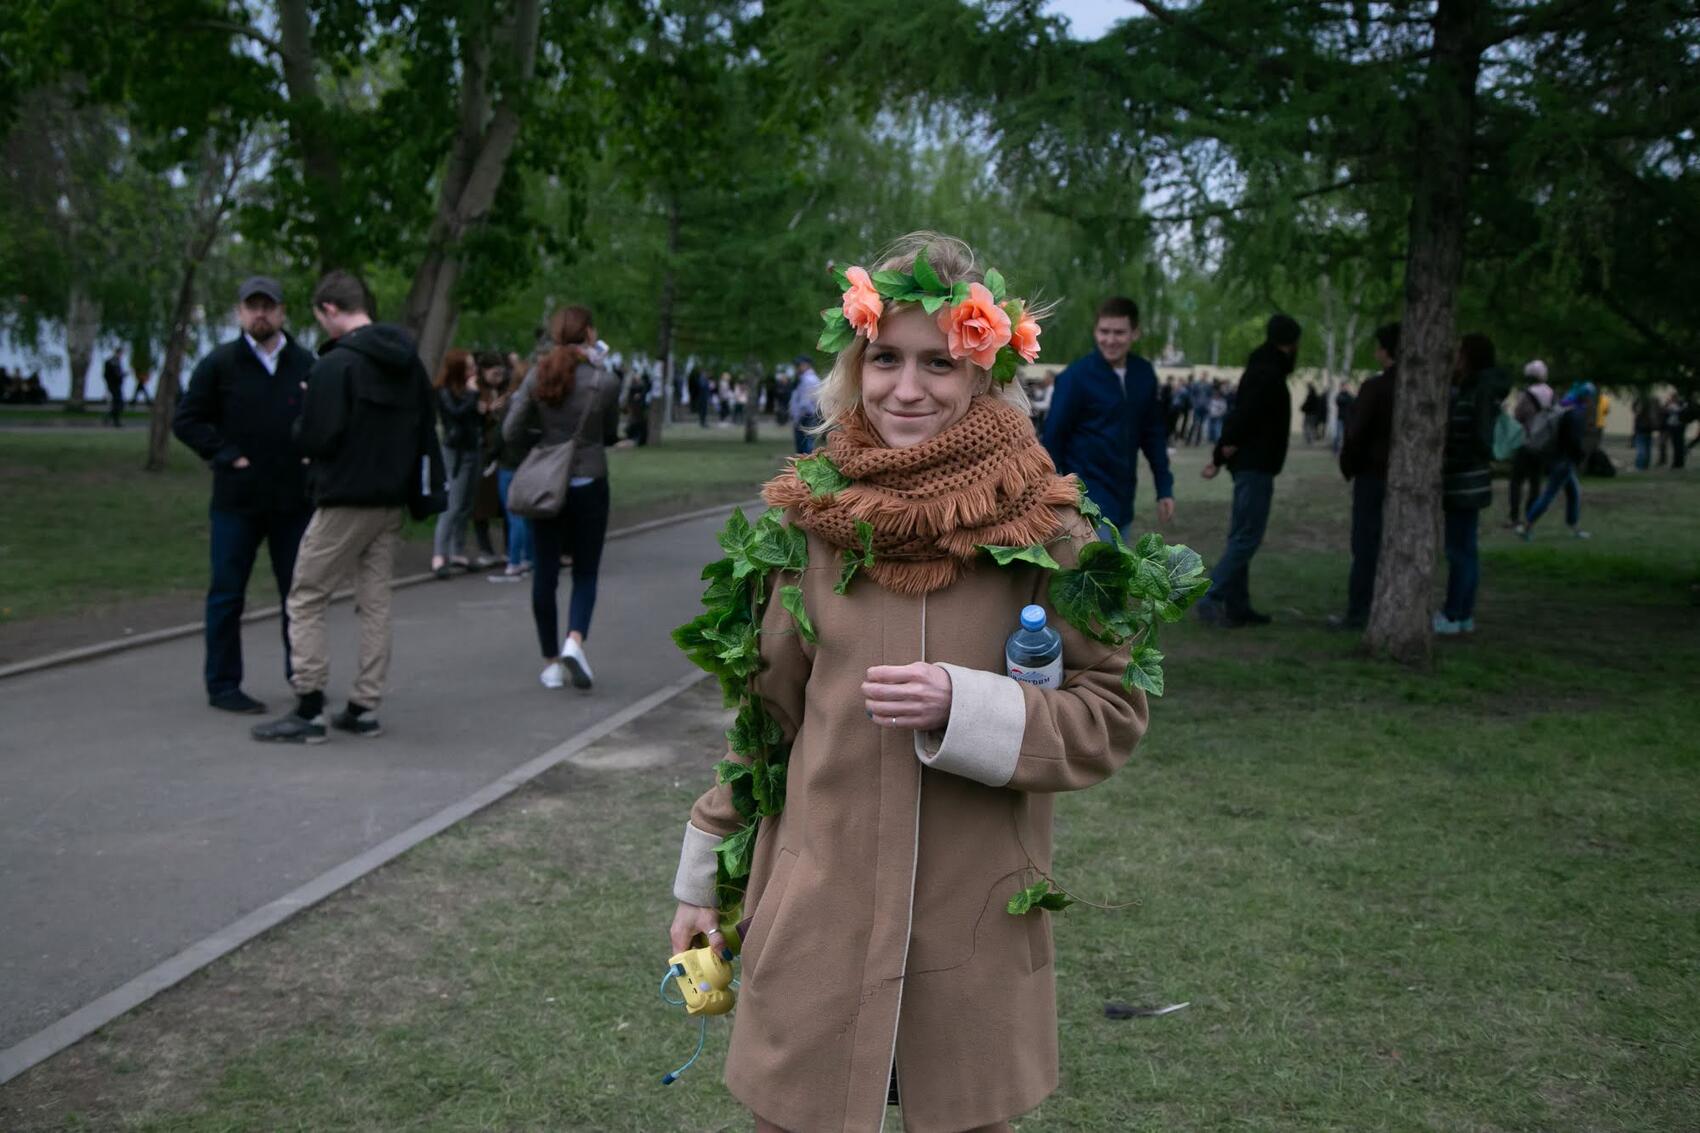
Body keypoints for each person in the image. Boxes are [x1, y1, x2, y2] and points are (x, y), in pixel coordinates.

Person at [666, 232, 1145, 1133]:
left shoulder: (1054, 531)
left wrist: (969, 708)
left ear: (985, 370)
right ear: (856, 364)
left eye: (939, 361)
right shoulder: (805, 522)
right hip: (818, 921)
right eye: (884, 358)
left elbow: (1112, 711)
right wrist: (707, 879)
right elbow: (765, 725)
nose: (908, 387)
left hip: (970, 936)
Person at [252, 270, 445, 743]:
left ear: (331, 310)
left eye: (320, 317)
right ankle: (364, 704)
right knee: (375, 601)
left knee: (306, 595)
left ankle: (309, 705)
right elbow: (424, 428)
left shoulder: (336, 367)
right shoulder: (408, 363)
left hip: (344, 498)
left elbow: (317, 435)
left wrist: (304, 415)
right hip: (390, 499)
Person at [173, 275, 316, 714]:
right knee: (226, 593)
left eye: (267, 307)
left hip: (293, 501)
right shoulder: (220, 364)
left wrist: (315, 454)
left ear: (281, 312)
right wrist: (224, 454)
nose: (260, 314)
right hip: (237, 502)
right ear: (239, 313)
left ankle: (305, 678)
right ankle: (222, 685)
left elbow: (326, 419)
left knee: (298, 594)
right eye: (252, 307)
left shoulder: (306, 363)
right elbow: (188, 420)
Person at [502, 305, 622, 691]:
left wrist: (541, 447)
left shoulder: (539, 374)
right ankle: (575, 641)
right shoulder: (604, 380)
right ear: (589, 333)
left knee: (545, 572)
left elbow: (510, 430)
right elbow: (610, 432)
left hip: (545, 484)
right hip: (589, 479)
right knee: (585, 570)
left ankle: (551, 661)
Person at [1040, 296, 1175, 541]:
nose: (1110, 340)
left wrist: (1164, 487)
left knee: (1118, 569)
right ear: (1095, 331)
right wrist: (1047, 494)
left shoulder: (1143, 374)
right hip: (1087, 501)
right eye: (1104, 332)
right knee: (1104, 571)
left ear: (1135, 333)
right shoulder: (1076, 377)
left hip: (1124, 498)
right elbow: (1053, 437)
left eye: (1119, 333)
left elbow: (1153, 435)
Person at [1194, 315, 1300, 628]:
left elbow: (1243, 415)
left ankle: (1237, 604)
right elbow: (1245, 416)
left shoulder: (1261, 368)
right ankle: (1211, 595)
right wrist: (1221, 451)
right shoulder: (1268, 373)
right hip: (1256, 464)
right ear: (1292, 343)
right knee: (1247, 537)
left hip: (1252, 462)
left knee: (1241, 535)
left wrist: (1223, 452)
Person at [1435, 333, 1511, 636]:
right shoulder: (1476, 389)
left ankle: (1454, 614)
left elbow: (1473, 439)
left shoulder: (1476, 392)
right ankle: (1463, 614)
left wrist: (1449, 461)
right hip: (1470, 480)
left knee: (1458, 551)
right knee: (1466, 549)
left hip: (1464, 481)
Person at [1332, 323, 1398, 631]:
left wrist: (1349, 465)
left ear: (1385, 350)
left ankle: (1360, 610)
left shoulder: (1377, 388)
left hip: (1373, 475)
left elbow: (1356, 433)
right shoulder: (1418, 387)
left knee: (1366, 544)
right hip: (1398, 479)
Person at [430, 349, 486, 578]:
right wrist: (473, 398)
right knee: (452, 504)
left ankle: (457, 550)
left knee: (466, 505)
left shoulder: (469, 390)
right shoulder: (444, 391)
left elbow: (473, 419)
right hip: (456, 451)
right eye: (469, 367)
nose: (474, 372)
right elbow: (455, 414)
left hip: (473, 448)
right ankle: (439, 554)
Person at [1521, 384, 1592, 541]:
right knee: (1549, 494)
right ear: (1585, 397)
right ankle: (1527, 525)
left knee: (1573, 492)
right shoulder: (1576, 414)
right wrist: (1580, 456)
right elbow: (1574, 441)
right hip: (1564, 461)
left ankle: (1574, 527)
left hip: (1556, 458)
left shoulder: (1564, 410)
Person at [1506, 360, 1554, 527]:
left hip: (1525, 442)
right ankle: (1530, 515)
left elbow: (1518, 417)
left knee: (1516, 481)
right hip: (1542, 444)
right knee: (1536, 481)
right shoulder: (1551, 393)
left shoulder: (1526, 395)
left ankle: (1514, 516)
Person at [788, 354, 822, 452]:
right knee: (803, 444)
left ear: (806, 365)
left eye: (798, 365)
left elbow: (806, 402)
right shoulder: (803, 378)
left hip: (806, 415)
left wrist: (800, 415)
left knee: (805, 445)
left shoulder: (809, 380)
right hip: (803, 415)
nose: (797, 368)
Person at [1632, 390, 1660, 471]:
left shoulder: (1641, 401)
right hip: (1650, 427)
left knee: (1641, 447)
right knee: (1647, 447)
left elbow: (1637, 411)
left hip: (1641, 427)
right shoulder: (1654, 401)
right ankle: (1646, 465)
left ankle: (1640, 465)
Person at [102, 347, 126, 427]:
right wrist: (121, 376)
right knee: (118, 402)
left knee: (117, 403)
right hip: (114, 385)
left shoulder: (114, 361)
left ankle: (109, 418)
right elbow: (114, 374)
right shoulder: (113, 362)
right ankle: (115, 420)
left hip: (115, 385)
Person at [1331, 381, 1355, 453]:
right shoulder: (1339, 396)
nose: (1345, 387)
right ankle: (1335, 450)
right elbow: (1339, 401)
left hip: (1347, 419)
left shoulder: (1349, 396)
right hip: (1340, 418)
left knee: (1347, 436)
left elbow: (1352, 403)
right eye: (1344, 386)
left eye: (1346, 386)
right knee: (1338, 435)